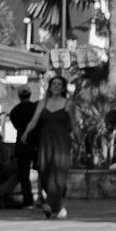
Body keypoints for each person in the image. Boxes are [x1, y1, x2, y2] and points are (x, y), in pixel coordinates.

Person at [25, 75, 76, 219]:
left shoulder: (68, 104)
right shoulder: (43, 103)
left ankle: (49, 204)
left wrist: (78, 139)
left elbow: (74, 124)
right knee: (46, 172)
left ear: (63, 88)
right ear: (50, 86)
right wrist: (25, 134)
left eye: (60, 84)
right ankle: (58, 207)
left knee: (58, 174)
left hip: (62, 143)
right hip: (46, 142)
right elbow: (34, 121)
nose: (57, 86)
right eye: (54, 84)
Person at [6, 87, 38, 209]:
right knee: (42, 171)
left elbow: (15, 126)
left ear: (19, 96)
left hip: (22, 145)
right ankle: (44, 198)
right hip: (36, 144)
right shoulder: (35, 109)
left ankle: (28, 201)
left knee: (24, 175)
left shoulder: (15, 111)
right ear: (30, 94)